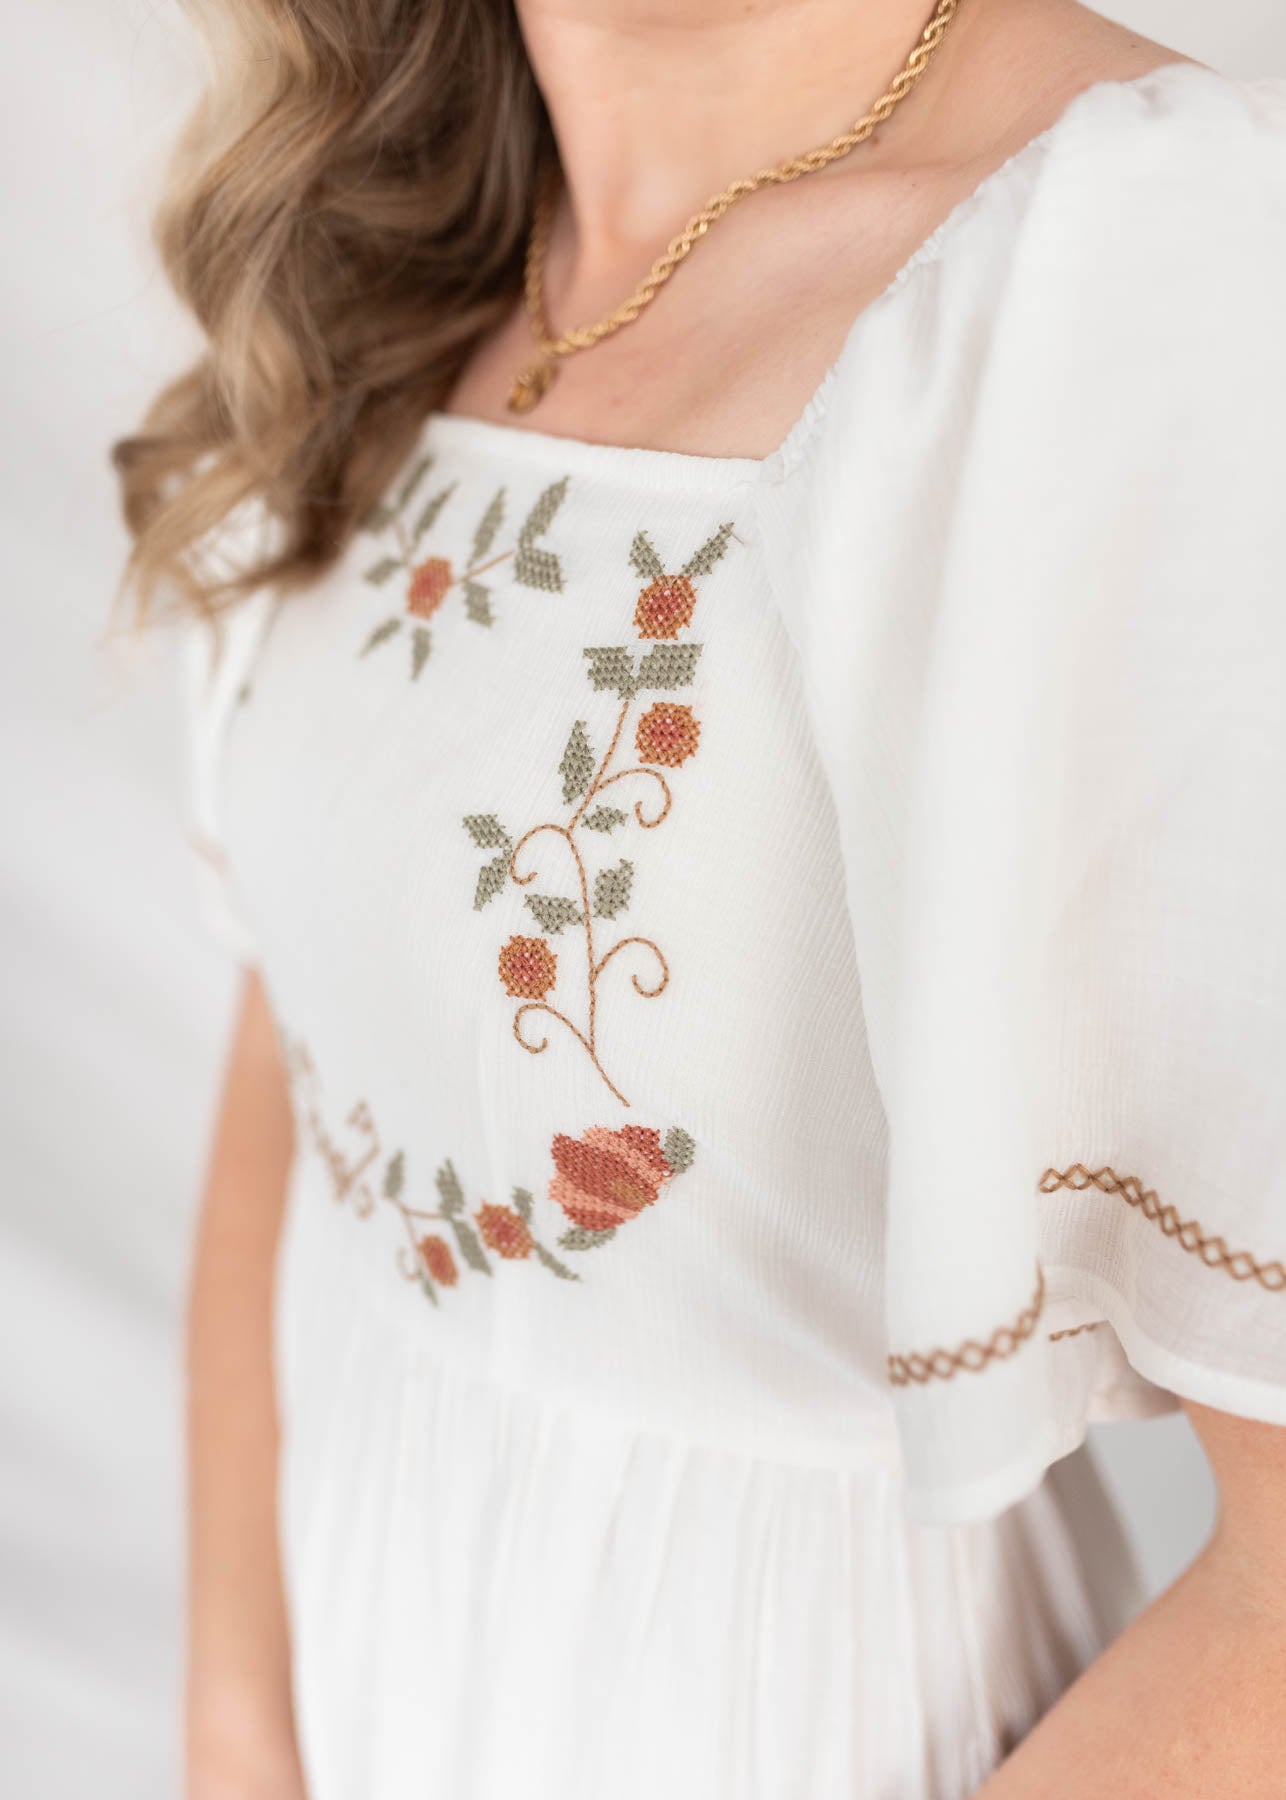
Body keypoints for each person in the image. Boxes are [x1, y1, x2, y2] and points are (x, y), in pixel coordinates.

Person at [113, 1, 1286, 1795]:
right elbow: (294, 1035)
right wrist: (235, 1738)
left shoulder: (1147, 271)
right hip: (354, 1690)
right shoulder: (396, 236)